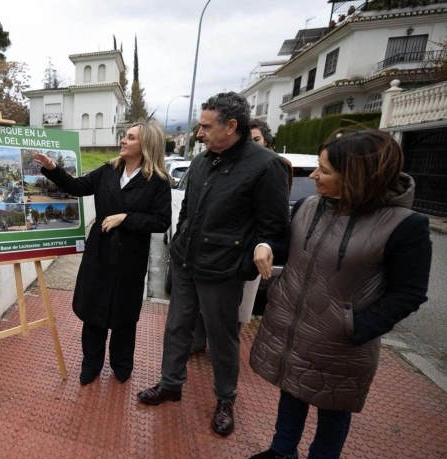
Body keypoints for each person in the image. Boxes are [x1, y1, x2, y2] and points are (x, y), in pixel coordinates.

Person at [245, 130, 431, 459]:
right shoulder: (307, 206)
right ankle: (282, 451)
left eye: (325, 170)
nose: (314, 176)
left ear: (359, 176)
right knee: (292, 391)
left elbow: (409, 293)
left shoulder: (405, 226)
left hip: (342, 339)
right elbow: (288, 248)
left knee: (333, 407)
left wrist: (354, 327)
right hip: (293, 328)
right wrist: (266, 245)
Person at [137, 92, 290, 437]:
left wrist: (249, 263)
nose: (199, 133)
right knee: (177, 327)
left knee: (222, 340)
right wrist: (178, 245)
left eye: (206, 126)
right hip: (186, 263)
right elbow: (189, 211)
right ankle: (170, 384)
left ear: (231, 126)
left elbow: (275, 228)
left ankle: (225, 400)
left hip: (223, 271)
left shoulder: (267, 166)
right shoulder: (203, 161)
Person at [33, 120, 172, 385]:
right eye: (125, 136)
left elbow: (161, 221)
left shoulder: (158, 182)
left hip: (131, 258)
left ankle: (121, 365)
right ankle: (91, 364)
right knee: (94, 311)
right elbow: (77, 187)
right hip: (100, 252)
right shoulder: (108, 170)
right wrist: (52, 168)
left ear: (146, 146)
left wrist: (125, 218)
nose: (124, 140)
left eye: (130, 138)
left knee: (124, 315)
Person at [191, 119, 294, 352]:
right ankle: (199, 342)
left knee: (237, 311)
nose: (251, 145)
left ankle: (224, 353)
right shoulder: (223, 163)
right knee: (204, 306)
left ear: (266, 142)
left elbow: (274, 219)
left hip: (250, 252)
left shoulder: (274, 167)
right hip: (221, 253)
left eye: (256, 140)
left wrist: (250, 259)